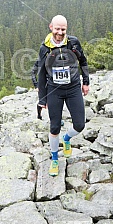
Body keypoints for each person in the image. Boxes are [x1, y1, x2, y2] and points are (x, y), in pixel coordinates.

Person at [36, 15, 90, 176]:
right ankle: (54, 159)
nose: (60, 32)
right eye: (57, 29)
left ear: (67, 29)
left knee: (80, 124)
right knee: (54, 127)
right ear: (51, 27)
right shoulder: (44, 48)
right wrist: (42, 99)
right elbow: (41, 73)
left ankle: (66, 139)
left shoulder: (73, 43)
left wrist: (85, 81)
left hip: (73, 88)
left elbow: (83, 62)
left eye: (63, 29)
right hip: (54, 90)